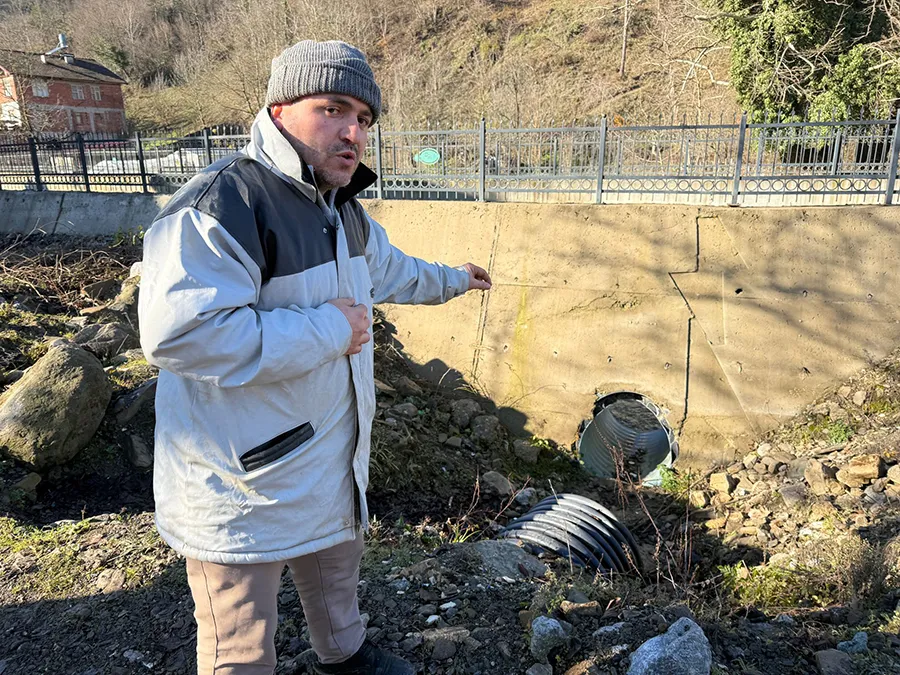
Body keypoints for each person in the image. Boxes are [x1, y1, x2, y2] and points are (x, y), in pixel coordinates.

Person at [138, 40, 492, 675]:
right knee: (239, 640)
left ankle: (346, 656)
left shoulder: (345, 212)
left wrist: (458, 279)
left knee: (336, 578)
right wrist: (331, 329)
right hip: (241, 478)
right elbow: (182, 335)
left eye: (362, 118)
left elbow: (396, 273)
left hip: (329, 452)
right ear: (280, 109)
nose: (352, 131)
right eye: (333, 108)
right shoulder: (223, 203)